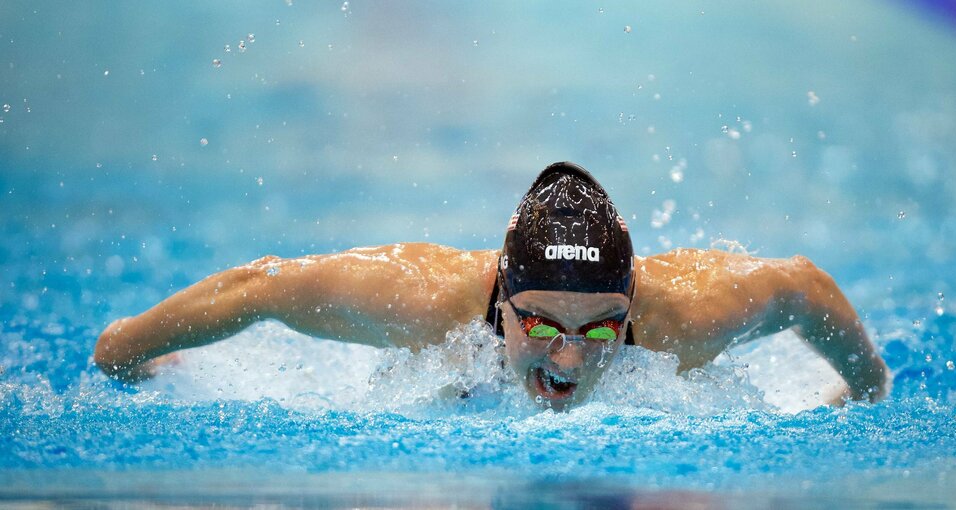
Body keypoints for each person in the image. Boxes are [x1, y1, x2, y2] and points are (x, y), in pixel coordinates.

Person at [94, 162, 890, 410]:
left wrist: (864, 388)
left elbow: (803, 287)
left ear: (634, 303)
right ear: (498, 298)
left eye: (602, 329)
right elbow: (257, 286)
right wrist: (125, 349)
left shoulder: (686, 315)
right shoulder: (422, 299)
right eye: (540, 326)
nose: (569, 362)